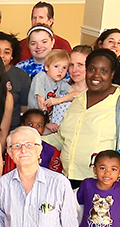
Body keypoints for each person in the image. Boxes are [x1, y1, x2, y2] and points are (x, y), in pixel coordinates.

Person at [43, 49, 120, 184]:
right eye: (92, 69)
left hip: (102, 185)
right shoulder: (77, 100)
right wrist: (30, 139)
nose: (96, 75)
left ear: (112, 74)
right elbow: (62, 138)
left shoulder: (117, 101)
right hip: (67, 178)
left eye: (104, 71)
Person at [0, 32, 32, 129]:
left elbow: (24, 109)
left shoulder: (22, 77)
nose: (1, 56)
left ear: (12, 55)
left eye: (6, 52)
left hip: (13, 129)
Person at [2, 109, 62, 174]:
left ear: (44, 128)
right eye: (30, 125)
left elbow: (55, 174)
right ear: (22, 125)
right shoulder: (15, 149)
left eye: (39, 126)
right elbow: (9, 173)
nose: (34, 128)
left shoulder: (51, 151)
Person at [28, 50, 73, 126]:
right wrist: (47, 123)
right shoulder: (41, 77)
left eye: (64, 68)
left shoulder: (61, 83)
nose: (60, 70)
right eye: (56, 66)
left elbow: (75, 94)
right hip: (34, 120)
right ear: (47, 67)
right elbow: (41, 103)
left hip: (49, 121)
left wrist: (57, 100)